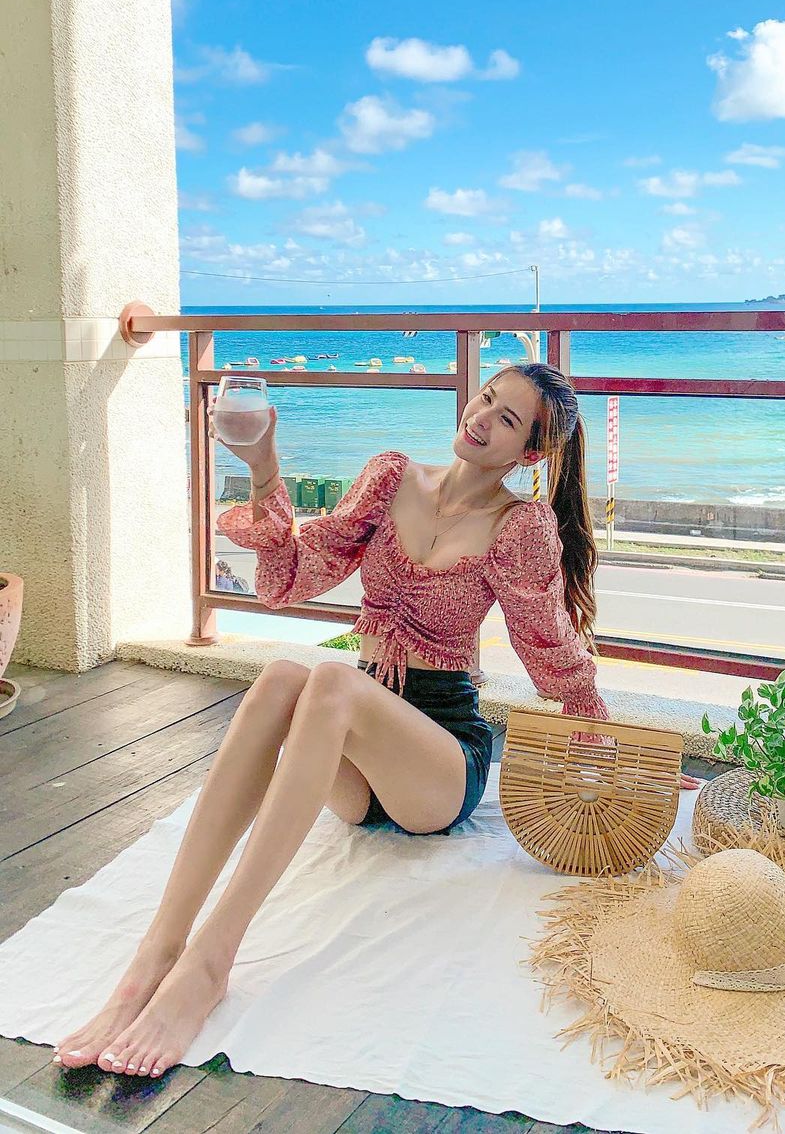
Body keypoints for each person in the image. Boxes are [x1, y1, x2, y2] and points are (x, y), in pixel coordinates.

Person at [52, 363, 700, 1080]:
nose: (482, 417)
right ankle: (159, 951)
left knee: (329, 680)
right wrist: (263, 467)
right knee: (281, 679)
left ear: (532, 452)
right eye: (486, 397)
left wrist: (614, 748)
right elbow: (288, 581)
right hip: (355, 753)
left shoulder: (520, 527)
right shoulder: (391, 478)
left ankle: (211, 962)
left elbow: (550, 653)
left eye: (508, 419)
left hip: (438, 762)